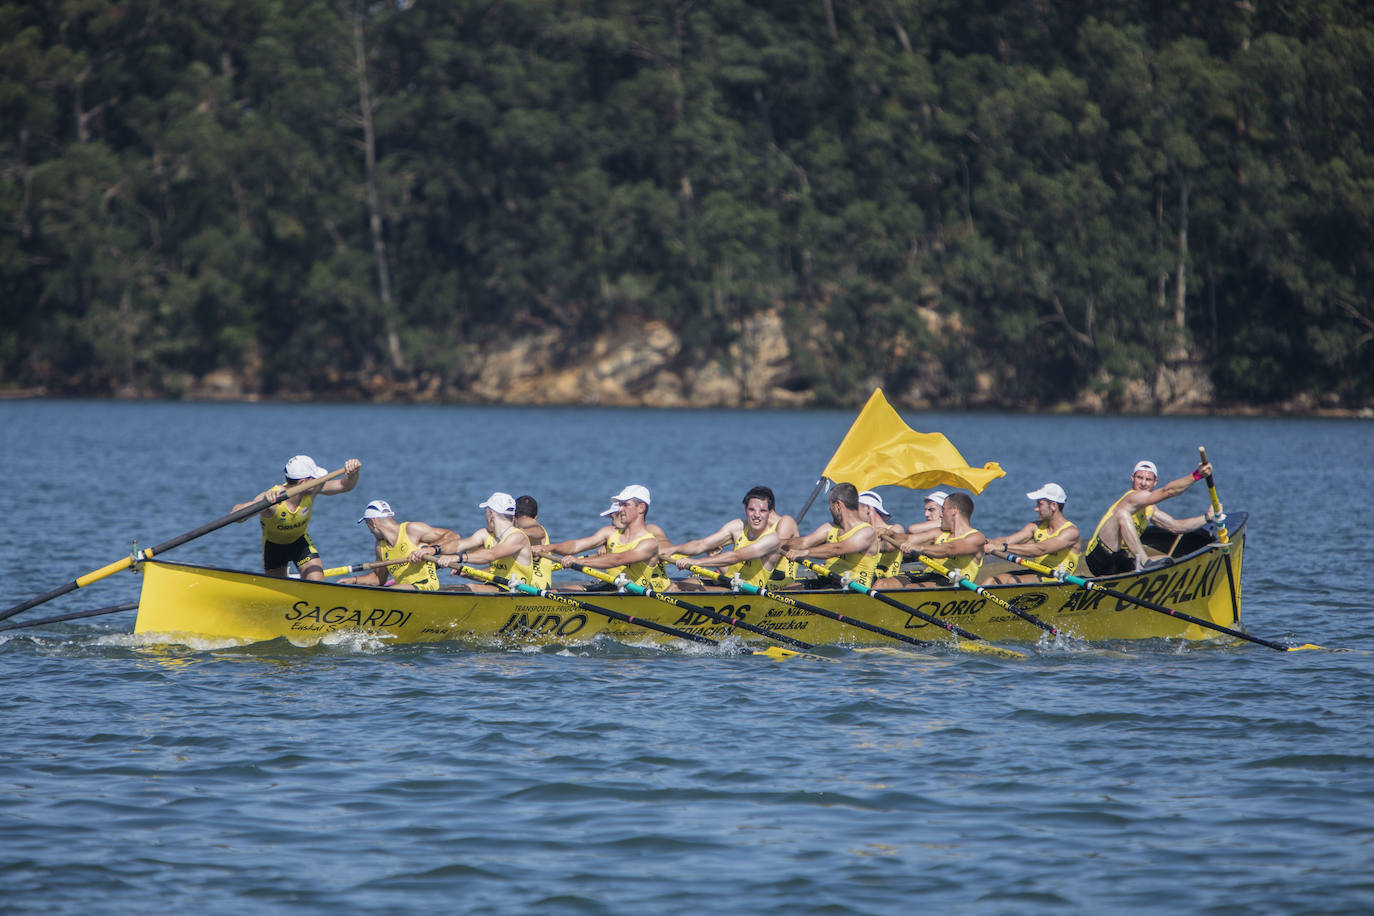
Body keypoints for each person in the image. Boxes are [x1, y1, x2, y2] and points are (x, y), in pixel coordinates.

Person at [234, 454, 361, 579]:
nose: (319, 480)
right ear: (303, 482)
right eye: (315, 477)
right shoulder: (273, 499)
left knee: (316, 580)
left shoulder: (313, 488)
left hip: (299, 543)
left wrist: (353, 474)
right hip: (273, 548)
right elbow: (237, 515)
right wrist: (264, 503)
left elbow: (344, 486)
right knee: (280, 592)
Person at [1082, 459, 1218, 576]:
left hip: (1118, 560)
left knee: (1167, 560)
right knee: (1122, 514)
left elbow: (1177, 527)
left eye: (1148, 480)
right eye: (1139, 478)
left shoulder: (1150, 509)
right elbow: (1169, 491)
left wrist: (1207, 517)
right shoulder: (1131, 498)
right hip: (1098, 557)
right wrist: (1197, 475)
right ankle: (1145, 562)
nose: (1143, 483)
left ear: (1155, 482)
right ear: (1132, 478)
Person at [534, 485, 667, 591]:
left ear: (641, 508)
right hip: (608, 585)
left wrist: (579, 562)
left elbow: (618, 559)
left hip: (633, 593)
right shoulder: (609, 532)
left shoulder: (649, 543)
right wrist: (546, 548)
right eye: (620, 505)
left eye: (625, 504)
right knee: (554, 593)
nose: (620, 509)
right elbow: (575, 546)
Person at [666, 485, 799, 590]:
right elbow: (701, 545)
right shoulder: (737, 526)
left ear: (769, 513)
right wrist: (672, 551)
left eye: (762, 511)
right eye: (752, 510)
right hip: (730, 582)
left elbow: (737, 556)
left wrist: (697, 562)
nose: (756, 515)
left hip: (747, 592)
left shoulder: (772, 539)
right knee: (676, 586)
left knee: (684, 588)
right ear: (745, 510)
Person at [425, 492, 547, 592]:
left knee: (468, 588)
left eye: (486, 512)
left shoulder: (517, 537)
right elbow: (459, 544)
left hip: (516, 591)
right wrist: (434, 549)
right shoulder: (485, 534)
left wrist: (457, 558)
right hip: (496, 587)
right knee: (462, 587)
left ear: (491, 514)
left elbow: (491, 555)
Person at [338, 499, 453, 590]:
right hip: (403, 592)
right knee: (386, 591)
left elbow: (452, 536)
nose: (370, 531)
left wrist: (431, 550)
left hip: (426, 587)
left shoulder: (412, 530)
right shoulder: (380, 547)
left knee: (391, 591)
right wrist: (353, 580)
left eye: (368, 525)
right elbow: (379, 579)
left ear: (372, 522)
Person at [782, 482, 879, 588]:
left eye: (830, 504)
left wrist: (804, 553)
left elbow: (836, 549)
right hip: (827, 580)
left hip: (853, 587)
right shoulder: (830, 527)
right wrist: (776, 544)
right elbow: (803, 542)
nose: (829, 509)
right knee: (788, 590)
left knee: (824, 591)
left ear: (838, 505)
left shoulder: (866, 532)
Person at [880, 491, 985, 588]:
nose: (941, 515)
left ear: (954, 510)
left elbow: (949, 549)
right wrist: (889, 533)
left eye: (943, 510)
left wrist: (920, 548)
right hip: (929, 575)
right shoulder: (939, 532)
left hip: (953, 582)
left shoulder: (976, 537)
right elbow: (909, 538)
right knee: (882, 584)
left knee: (909, 589)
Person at [984, 484, 1081, 584]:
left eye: (1039, 504)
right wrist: (986, 542)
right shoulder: (1035, 526)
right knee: (990, 581)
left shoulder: (1071, 532)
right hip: (1038, 573)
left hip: (1059, 577)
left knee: (1013, 581)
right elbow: (1007, 540)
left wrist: (1003, 548)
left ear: (1053, 506)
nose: (1036, 508)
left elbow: (1040, 549)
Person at [859, 490, 908, 584]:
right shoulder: (861, 533)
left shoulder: (896, 529)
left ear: (868, 509)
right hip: (864, 579)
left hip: (886, 582)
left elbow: (889, 547)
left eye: (855, 511)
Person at [513, 495, 552, 591]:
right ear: (536, 516)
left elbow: (539, 532)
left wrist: (513, 533)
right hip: (519, 581)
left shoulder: (537, 529)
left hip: (537, 586)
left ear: (513, 516)